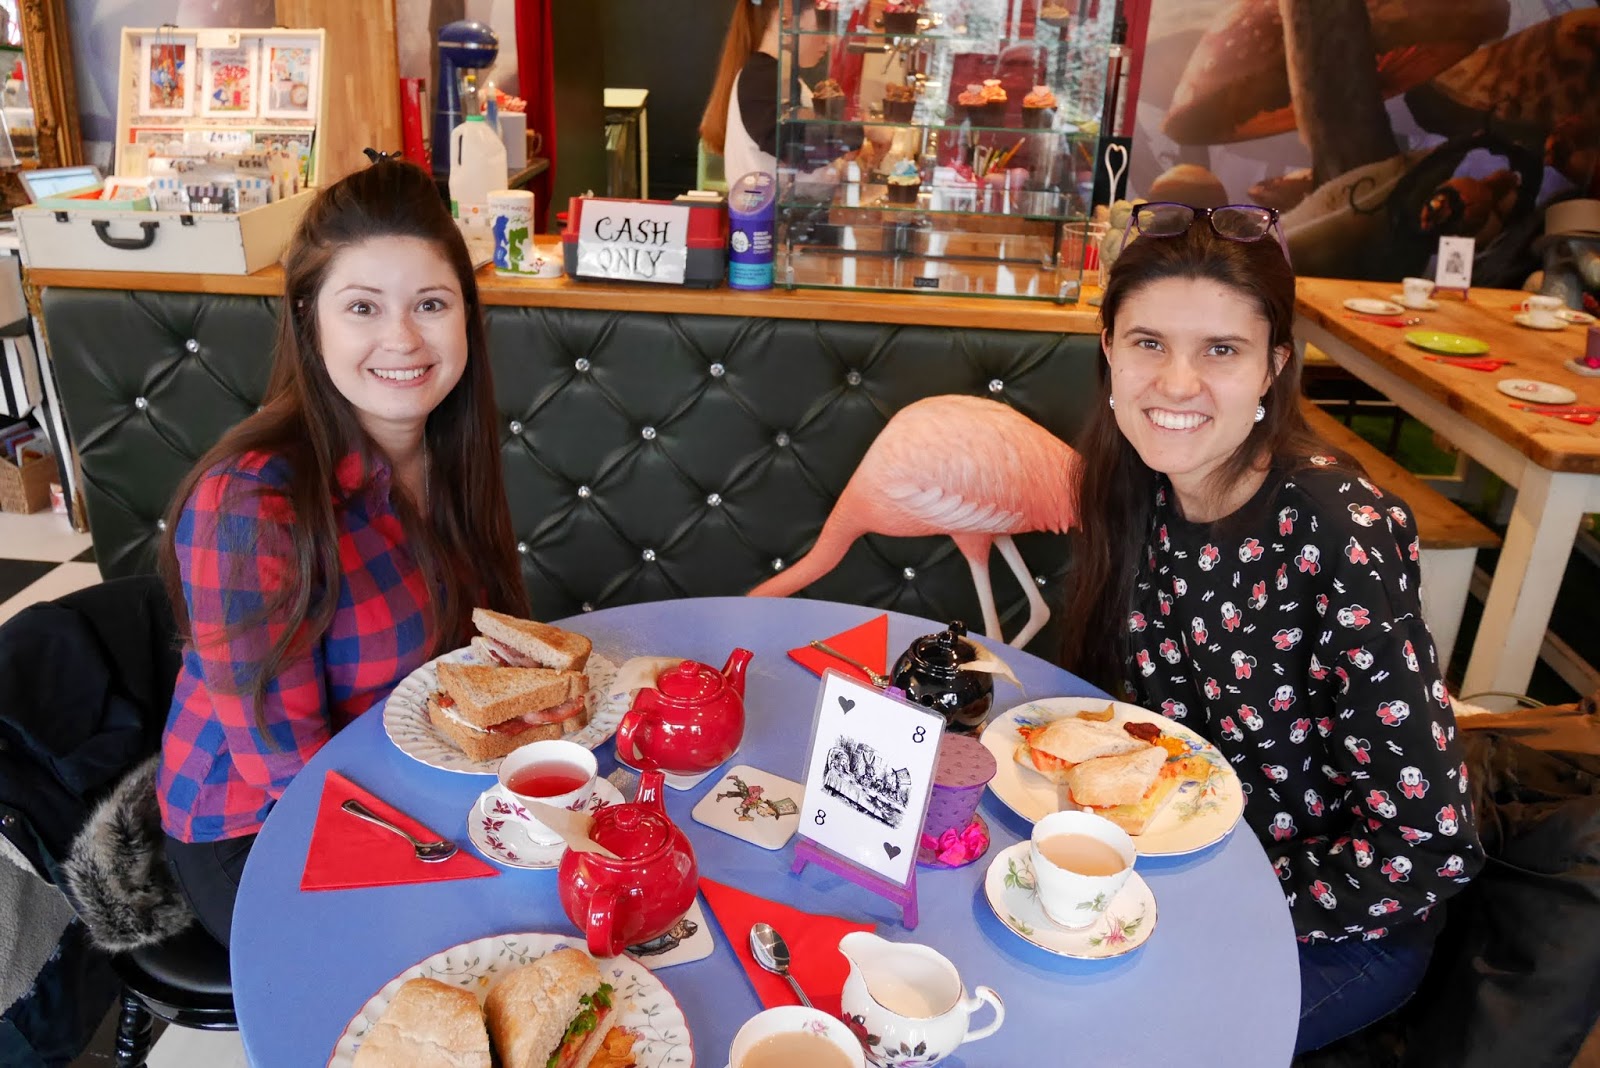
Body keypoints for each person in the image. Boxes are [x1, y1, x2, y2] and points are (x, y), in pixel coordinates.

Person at [1059, 205, 1484, 1054]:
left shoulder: (1337, 526)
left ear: (1273, 368)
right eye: (1149, 343)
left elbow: (1431, 841)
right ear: (1108, 350)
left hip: (1340, 929)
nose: (1177, 385)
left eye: (1222, 350)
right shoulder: (1138, 479)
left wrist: (1218, 905)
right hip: (1180, 869)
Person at [155, 159, 529, 947]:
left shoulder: (448, 452)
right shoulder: (252, 502)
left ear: (467, 315)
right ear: (308, 318)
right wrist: (453, 861)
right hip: (256, 832)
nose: (402, 339)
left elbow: (485, 662)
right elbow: (284, 772)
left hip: (407, 780)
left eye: (431, 303)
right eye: (362, 307)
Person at [700, 0, 830, 184]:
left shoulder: (776, 78)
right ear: (786, 19)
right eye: (822, 24)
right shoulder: (762, 80)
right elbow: (798, 148)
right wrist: (859, 133)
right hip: (769, 212)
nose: (830, 38)